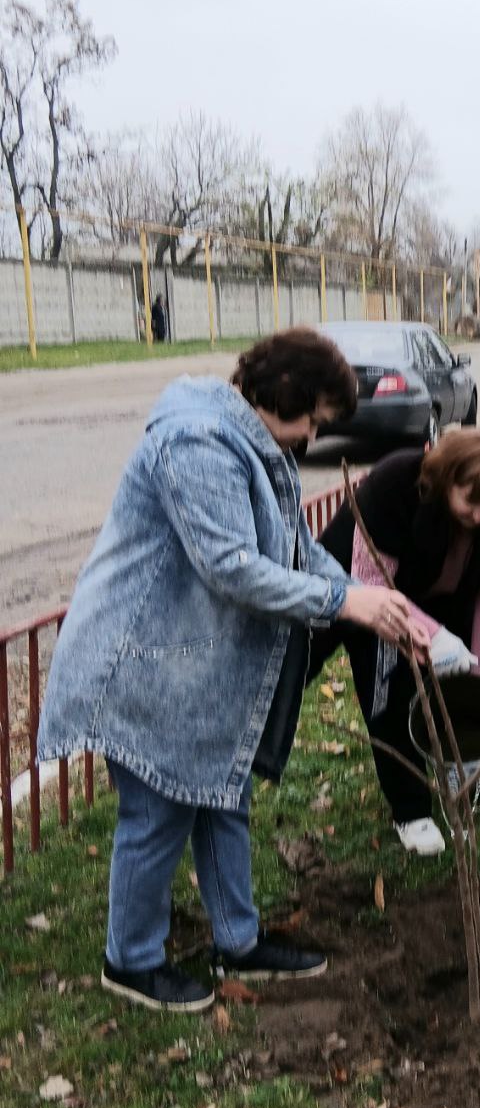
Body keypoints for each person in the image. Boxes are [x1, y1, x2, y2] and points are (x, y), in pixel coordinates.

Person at [37, 329, 424, 1014]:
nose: (313, 434)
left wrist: (376, 600)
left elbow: (299, 549)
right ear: (283, 394)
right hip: (142, 660)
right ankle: (130, 961)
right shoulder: (198, 443)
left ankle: (237, 939)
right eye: (314, 417)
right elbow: (231, 568)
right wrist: (344, 601)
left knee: (221, 797)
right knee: (157, 812)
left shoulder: (257, 445)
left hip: (190, 663)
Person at [310, 429, 480, 857]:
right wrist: (431, 636)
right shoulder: (396, 485)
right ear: (446, 481)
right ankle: (410, 810)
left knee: (465, 687)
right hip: (359, 589)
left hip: (444, 595)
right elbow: (372, 580)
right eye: (471, 501)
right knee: (390, 690)